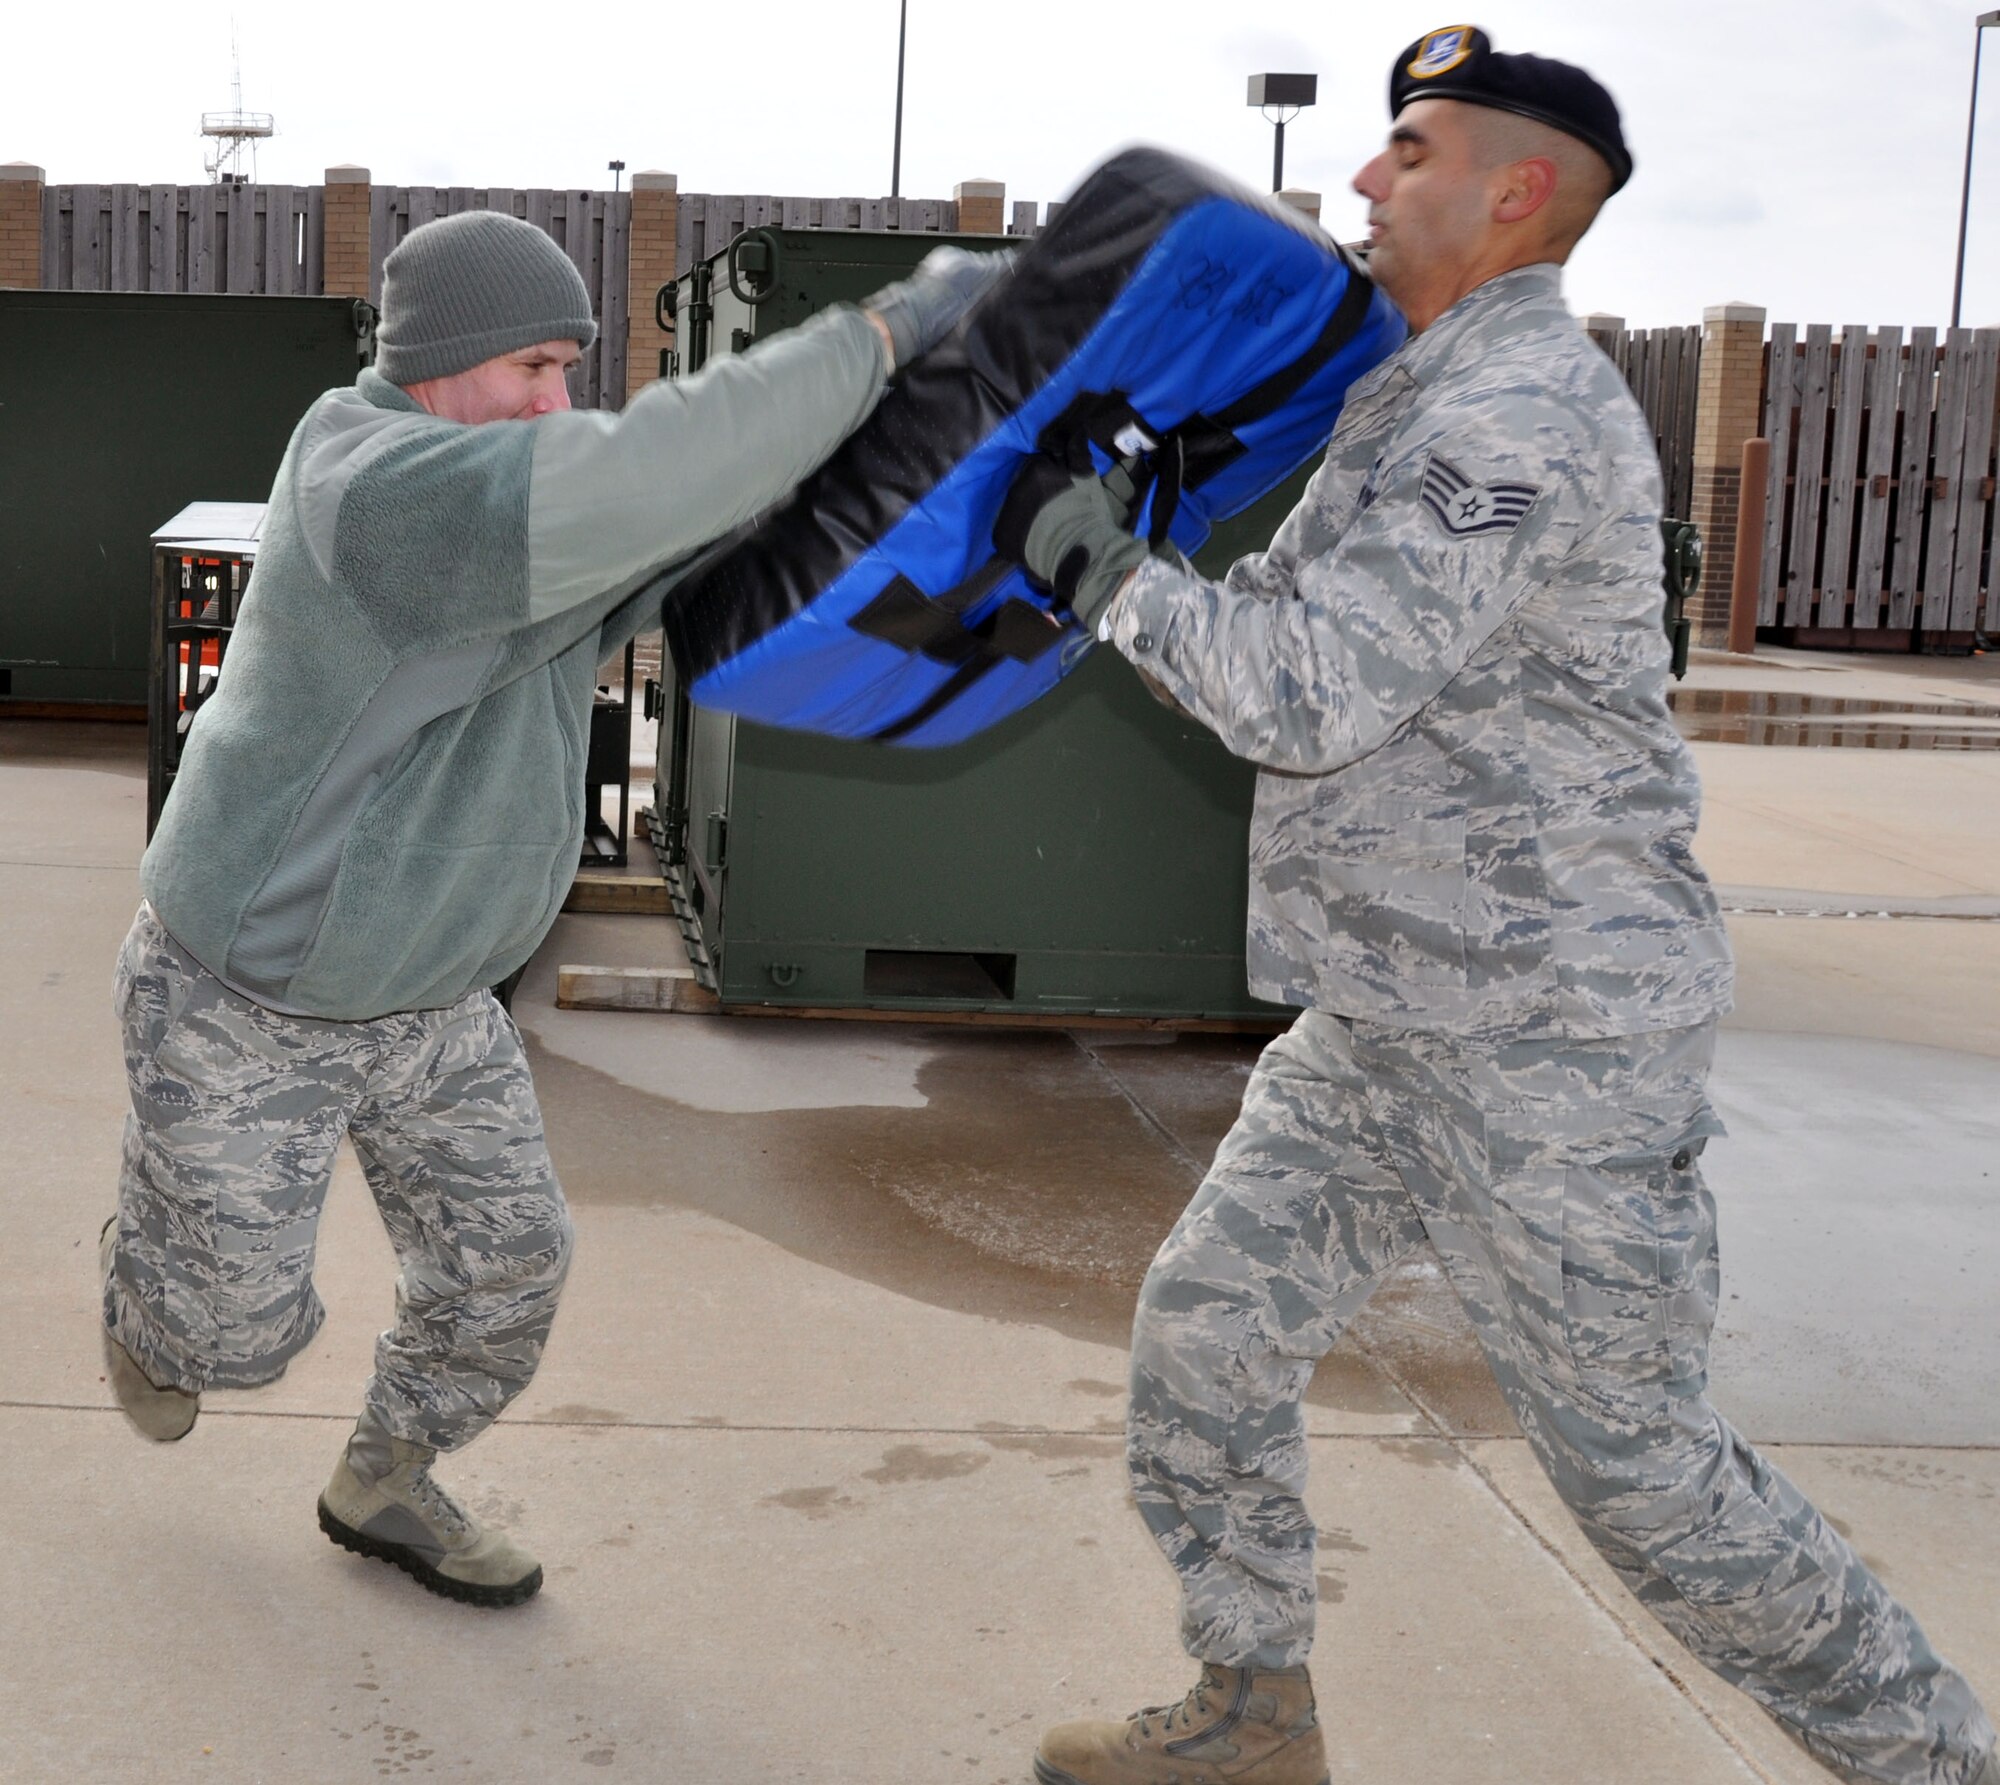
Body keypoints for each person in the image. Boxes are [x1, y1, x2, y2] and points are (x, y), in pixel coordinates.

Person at [997, 26, 1996, 1785]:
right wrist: (1148, 526)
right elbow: (1292, 626)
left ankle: (1932, 1760)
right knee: (1210, 1338)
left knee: (1643, 1476)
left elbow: (1308, 690)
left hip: (1549, 1033)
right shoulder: (1413, 390)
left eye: (1411, 148)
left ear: (1516, 191)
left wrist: (1100, 574)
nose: (1371, 179)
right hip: (1387, 1013)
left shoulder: (1520, 409)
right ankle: (1254, 1715)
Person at [102, 207, 999, 1607]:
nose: (558, 399)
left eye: (571, 368)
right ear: (440, 362)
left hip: (432, 998)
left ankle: (383, 1480)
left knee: (510, 1271)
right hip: (246, 998)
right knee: (225, 1342)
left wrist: (923, 432)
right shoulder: (382, 485)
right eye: (533, 365)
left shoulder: (497, 495)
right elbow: (649, 469)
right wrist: (888, 332)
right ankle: (158, 1281)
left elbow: (712, 517)